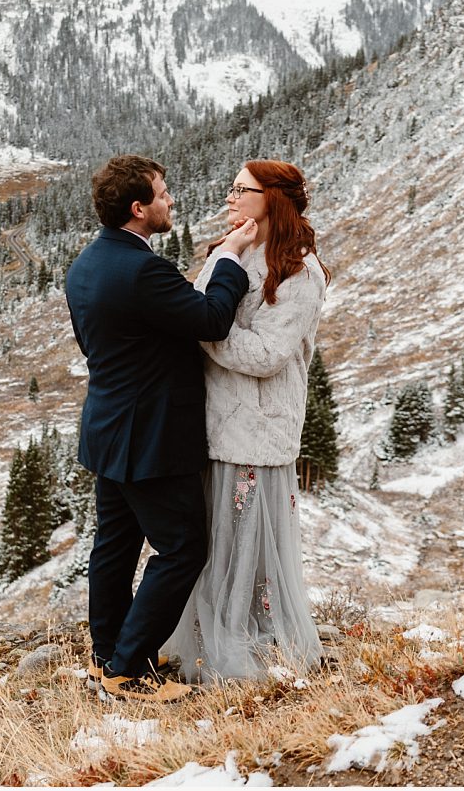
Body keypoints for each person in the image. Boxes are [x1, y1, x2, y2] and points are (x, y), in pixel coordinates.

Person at [65, 154, 259, 703]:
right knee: (182, 549)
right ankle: (129, 671)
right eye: (163, 192)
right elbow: (211, 319)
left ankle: (108, 655)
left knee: (116, 546)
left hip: (106, 428)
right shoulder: (142, 270)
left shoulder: (87, 264)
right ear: (138, 208)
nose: (171, 200)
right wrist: (228, 257)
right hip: (150, 436)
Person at [162, 160, 329, 683]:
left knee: (247, 548)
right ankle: (207, 643)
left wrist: (203, 331)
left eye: (242, 190)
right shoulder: (231, 249)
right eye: (231, 187)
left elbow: (267, 355)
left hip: (258, 430)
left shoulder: (301, 271)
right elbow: (200, 304)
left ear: (272, 198)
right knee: (211, 546)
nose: (230, 198)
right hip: (211, 424)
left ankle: (248, 651)